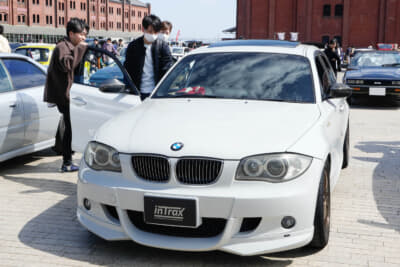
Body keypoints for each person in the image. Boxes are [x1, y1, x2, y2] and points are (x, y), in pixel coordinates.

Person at [43, 18, 88, 172]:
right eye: (81, 35)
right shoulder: (63, 47)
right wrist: (81, 49)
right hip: (64, 96)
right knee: (70, 128)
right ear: (71, 33)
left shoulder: (69, 46)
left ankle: (67, 160)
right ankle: (67, 162)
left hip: (69, 95)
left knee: (70, 128)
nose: (83, 38)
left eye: (85, 35)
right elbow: (67, 65)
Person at [124, 14, 173, 100]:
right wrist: (129, 89)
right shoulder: (133, 46)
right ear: (143, 29)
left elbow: (167, 69)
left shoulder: (162, 46)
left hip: (156, 94)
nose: (153, 35)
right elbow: (127, 70)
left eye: (156, 32)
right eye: (150, 31)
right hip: (137, 94)